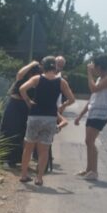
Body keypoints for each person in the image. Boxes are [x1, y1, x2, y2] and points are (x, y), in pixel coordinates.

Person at [19, 56, 75, 186]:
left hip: (35, 116)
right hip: (50, 118)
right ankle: (39, 178)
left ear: (43, 67)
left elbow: (22, 89)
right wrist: (63, 105)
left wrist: (28, 101)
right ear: (55, 67)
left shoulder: (37, 79)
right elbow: (72, 99)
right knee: (43, 150)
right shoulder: (61, 82)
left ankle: (24, 175)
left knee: (28, 148)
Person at [74, 54, 107, 181]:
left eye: (95, 67)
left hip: (101, 114)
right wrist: (80, 115)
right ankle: (89, 169)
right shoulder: (99, 78)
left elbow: (94, 89)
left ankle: (94, 171)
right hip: (93, 113)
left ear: (99, 67)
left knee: (90, 141)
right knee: (88, 141)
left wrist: (89, 73)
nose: (94, 69)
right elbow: (92, 98)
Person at [0, 61, 42, 168]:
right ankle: (4, 158)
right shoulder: (23, 78)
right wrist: (32, 64)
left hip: (26, 107)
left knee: (21, 134)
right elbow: (19, 74)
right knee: (9, 131)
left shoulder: (37, 81)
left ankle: (15, 160)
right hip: (15, 105)